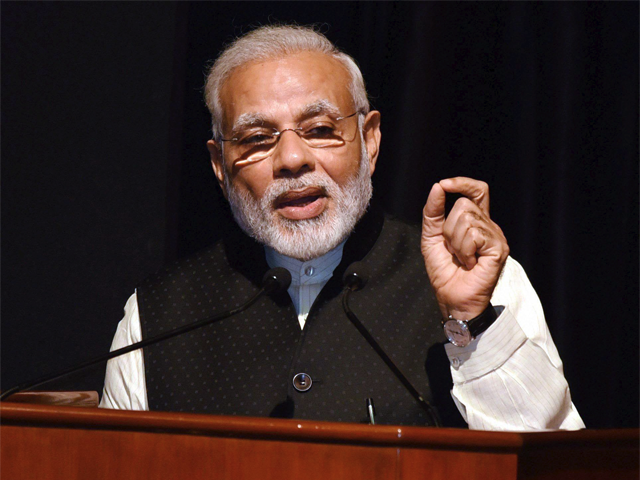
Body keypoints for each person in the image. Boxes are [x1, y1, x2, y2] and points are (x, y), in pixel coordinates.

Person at [101, 25, 584, 431]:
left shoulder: (479, 279)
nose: (292, 160)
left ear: (370, 141)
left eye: (320, 130)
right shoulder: (158, 315)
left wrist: (473, 322)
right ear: (220, 165)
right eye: (256, 138)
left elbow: (550, 463)